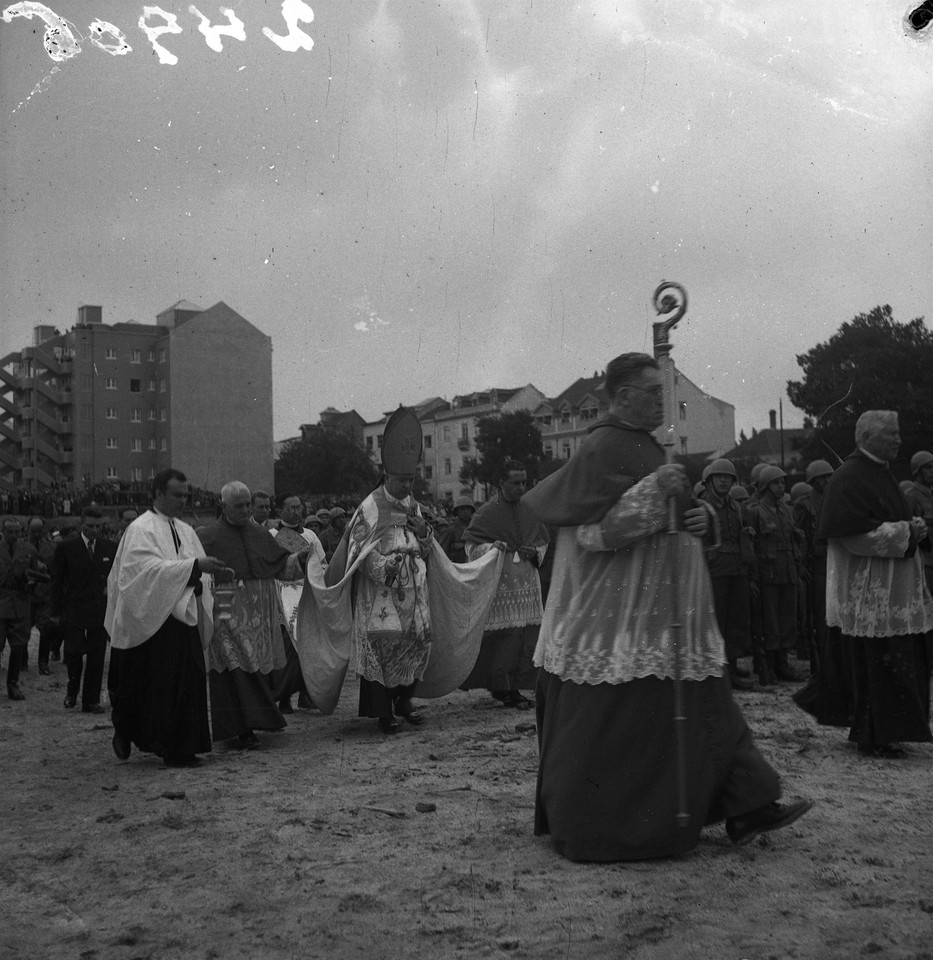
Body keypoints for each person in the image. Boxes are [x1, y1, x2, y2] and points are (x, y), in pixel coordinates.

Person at [524, 352, 811, 861]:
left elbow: (678, 515)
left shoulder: (650, 445)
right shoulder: (603, 446)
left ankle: (748, 803)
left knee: (711, 704)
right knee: (658, 717)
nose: (663, 401)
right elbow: (593, 533)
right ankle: (622, 826)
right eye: (653, 392)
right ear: (622, 396)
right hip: (623, 618)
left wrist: (702, 519)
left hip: (671, 612)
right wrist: (659, 494)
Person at [818, 411, 933, 759]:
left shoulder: (880, 472)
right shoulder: (849, 476)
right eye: (891, 434)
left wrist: (913, 527)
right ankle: (875, 736)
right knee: (877, 665)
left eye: (898, 433)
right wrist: (907, 532)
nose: (899, 440)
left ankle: (886, 732)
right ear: (866, 438)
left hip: (889, 591)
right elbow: (851, 535)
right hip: (868, 595)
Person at [106, 469, 230, 768]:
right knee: (151, 685)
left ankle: (182, 748)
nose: (182, 500)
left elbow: (194, 566)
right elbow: (141, 573)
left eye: (186, 495)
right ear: (158, 493)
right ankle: (131, 732)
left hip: (182, 615)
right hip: (151, 620)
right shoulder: (141, 528)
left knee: (188, 681)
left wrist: (203, 574)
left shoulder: (185, 529)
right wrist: (193, 567)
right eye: (176, 495)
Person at [197, 482, 308, 749]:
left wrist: (300, 560)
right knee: (236, 671)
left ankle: (256, 723)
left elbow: (280, 568)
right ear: (224, 506)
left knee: (255, 669)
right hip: (227, 616)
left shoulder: (260, 533)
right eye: (240, 506)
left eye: (248, 504)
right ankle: (244, 730)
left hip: (260, 619)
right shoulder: (208, 536)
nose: (246, 510)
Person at [461, 463, 548, 709]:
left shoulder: (530, 509)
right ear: (502, 483)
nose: (521, 487)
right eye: (516, 483)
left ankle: (515, 686)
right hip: (501, 586)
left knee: (524, 639)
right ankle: (502, 688)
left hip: (527, 583)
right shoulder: (487, 512)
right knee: (504, 640)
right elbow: (471, 547)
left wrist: (535, 551)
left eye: (524, 482)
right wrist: (491, 547)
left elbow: (542, 541)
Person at [49, 506, 117, 713]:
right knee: (74, 653)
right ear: (80, 524)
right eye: (90, 526)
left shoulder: (109, 547)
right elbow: (56, 582)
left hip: (99, 610)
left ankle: (91, 700)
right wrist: (55, 612)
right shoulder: (67, 548)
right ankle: (72, 690)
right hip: (74, 609)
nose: (94, 530)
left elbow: (116, 578)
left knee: (97, 656)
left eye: (97, 526)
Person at [699, 459, 755, 690]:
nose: (723, 481)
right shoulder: (703, 507)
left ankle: (731, 666)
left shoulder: (736, 507)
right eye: (718, 477)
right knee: (717, 623)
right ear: (709, 481)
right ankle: (718, 671)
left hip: (737, 570)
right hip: (715, 572)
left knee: (736, 622)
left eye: (728, 477)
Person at [745, 466, 804, 683]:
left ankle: (782, 663)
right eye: (776, 483)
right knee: (769, 621)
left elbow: (794, 542)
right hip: (767, 574)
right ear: (765, 486)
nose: (781, 487)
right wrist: (753, 577)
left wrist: (798, 570)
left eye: (782, 483)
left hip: (788, 571)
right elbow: (750, 547)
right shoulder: (754, 511)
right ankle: (767, 664)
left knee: (787, 619)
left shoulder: (788, 511)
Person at [271, 494, 324, 712]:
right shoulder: (272, 535)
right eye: (291, 508)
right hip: (282, 598)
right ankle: (284, 697)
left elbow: (322, 563)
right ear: (280, 511)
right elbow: (273, 567)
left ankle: (306, 694)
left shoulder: (310, 535)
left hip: (307, 596)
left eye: (298, 507)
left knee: (308, 648)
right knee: (287, 651)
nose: (296, 511)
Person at [1, 517, 38, 701]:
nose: (14, 535)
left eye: (17, 532)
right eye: (10, 532)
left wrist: (30, 583)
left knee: (18, 645)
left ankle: (13, 684)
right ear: (3, 532)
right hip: (1, 601)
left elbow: (36, 576)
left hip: (20, 603)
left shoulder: (29, 550)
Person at [26, 517, 59, 675]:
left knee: (46, 629)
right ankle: (22, 660)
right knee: (23, 630)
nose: (36, 534)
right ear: (28, 530)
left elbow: (58, 570)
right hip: (25, 595)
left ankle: (43, 662)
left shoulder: (53, 548)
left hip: (45, 594)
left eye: (39, 531)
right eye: (33, 531)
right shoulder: (21, 546)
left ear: (44, 530)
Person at [906, 450, 933, 595]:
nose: (932, 471)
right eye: (928, 467)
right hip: (924, 560)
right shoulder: (911, 496)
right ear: (917, 471)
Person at [437, 496, 475, 563]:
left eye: (468, 509)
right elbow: (441, 553)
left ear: (471, 511)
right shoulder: (451, 530)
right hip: (457, 566)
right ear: (457, 512)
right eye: (462, 509)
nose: (465, 512)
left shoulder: (475, 528)